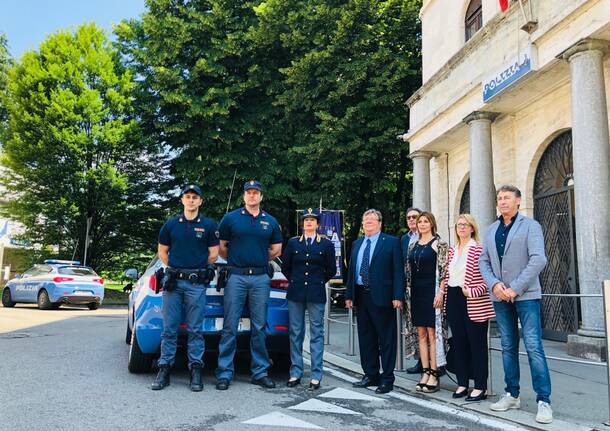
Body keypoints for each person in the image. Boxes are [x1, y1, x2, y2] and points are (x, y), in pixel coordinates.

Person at [479, 185, 552, 424]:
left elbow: (538, 259)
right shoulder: (491, 230)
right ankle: (512, 394)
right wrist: (495, 285)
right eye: (499, 198)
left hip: (526, 295)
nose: (502, 202)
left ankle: (544, 400)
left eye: (507, 198)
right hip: (500, 296)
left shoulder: (531, 226)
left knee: (533, 346)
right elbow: (484, 261)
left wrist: (515, 287)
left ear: (518, 200)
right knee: (508, 345)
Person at [215, 180, 283, 391]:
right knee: (230, 326)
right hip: (236, 276)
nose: (252, 196)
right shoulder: (231, 218)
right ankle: (225, 372)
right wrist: (237, 260)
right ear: (243, 196)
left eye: (256, 193)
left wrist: (259, 259)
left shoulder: (270, 221)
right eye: (249, 193)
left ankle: (260, 372)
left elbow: (276, 249)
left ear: (261, 197)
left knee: (259, 326)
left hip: (261, 278)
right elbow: (222, 248)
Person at [152, 184, 219, 392]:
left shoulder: (208, 226)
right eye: (187, 197)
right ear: (182, 200)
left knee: (195, 330)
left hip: (196, 284)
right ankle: (164, 370)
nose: (191, 200)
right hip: (174, 283)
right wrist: (175, 266)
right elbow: (163, 252)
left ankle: (196, 369)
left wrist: (195, 268)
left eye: (195, 197)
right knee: (169, 329)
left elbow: (213, 254)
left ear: (200, 201)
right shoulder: (171, 225)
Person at [346, 209, 404, 394]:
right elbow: (351, 272)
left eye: (372, 220)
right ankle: (370, 374)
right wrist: (349, 295)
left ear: (380, 223)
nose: (368, 223)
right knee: (366, 338)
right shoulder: (357, 243)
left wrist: (397, 295)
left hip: (383, 297)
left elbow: (398, 271)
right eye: (365, 220)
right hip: (361, 296)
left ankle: (387, 379)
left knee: (386, 339)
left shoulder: (392, 242)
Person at [437, 214, 494, 402]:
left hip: (473, 301)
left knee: (476, 345)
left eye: (465, 225)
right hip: (453, 298)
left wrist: (474, 291)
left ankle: (480, 386)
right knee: (459, 343)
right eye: (459, 225)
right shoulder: (452, 250)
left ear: (472, 228)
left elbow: (490, 278)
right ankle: (462, 383)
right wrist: (441, 292)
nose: (461, 227)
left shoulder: (479, 250)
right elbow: (447, 275)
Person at [281, 208, 336, 390]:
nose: (309, 223)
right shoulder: (294, 243)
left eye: (313, 220)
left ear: (318, 224)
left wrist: (317, 281)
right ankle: (295, 372)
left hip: (315, 293)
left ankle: (316, 374)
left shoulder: (326, 245)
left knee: (316, 333)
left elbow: (331, 270)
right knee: (295, 333)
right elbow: (286, 268)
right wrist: (297, 281)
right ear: (302, 224)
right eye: (306, 220)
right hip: (296, 293)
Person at [403, 211, 448, 393]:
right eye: (419, 221)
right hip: (416, 294)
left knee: (432, 334)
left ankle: (435, 373)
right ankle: (425, 371)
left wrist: (441, 292)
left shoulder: (440, 244)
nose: (421, 224)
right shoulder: (412, 245)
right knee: (420, 333)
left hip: (432, 292)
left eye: (425, 221)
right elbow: (408, 271)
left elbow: (445, 271)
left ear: (432, 224)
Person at [400, 207, 423, 375]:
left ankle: (430, 362)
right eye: (408, 217)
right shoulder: (403, 239)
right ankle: (419, 360)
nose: (412, 220)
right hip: (408, 289)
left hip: (425, 287)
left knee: (426, 327)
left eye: (415, 216)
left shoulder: (432, 238)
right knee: (412, 326)